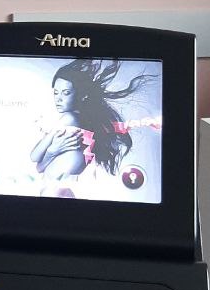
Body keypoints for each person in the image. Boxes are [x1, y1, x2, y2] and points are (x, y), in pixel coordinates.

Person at [30, 59, 150, 194]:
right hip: (59, 190)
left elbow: (35, 159)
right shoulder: (87, 125)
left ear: (82, 95)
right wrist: (53, 151)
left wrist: (52, 151)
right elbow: (40, 167)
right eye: (56, 92)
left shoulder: (68, 119)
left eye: (66, 93)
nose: (58, 99)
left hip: (53, 190)